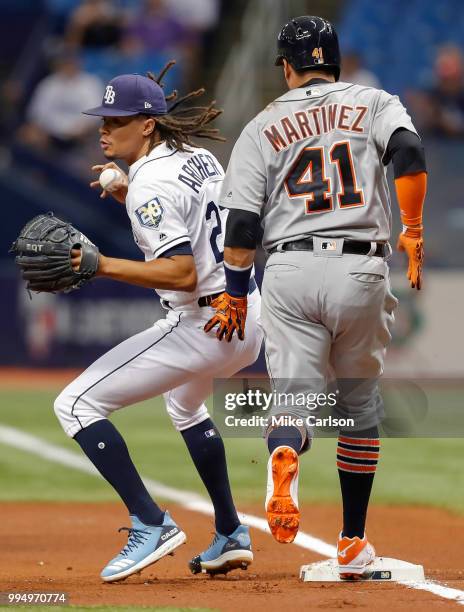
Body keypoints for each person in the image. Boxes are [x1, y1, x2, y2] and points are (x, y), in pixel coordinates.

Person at [205, 16, 426, 579]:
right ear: (335, 60)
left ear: (286, 66)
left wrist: (234, 291)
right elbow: (408, 153)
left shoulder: (262, 124)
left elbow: (244, 223)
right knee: (358, 409)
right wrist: (414, 229)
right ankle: (352, 542)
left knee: (292, 402)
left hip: (290, 267)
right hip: (360, 266)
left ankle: (287, 448)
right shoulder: (374, 102)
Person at [53, 63, 262, 582]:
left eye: (117, 120)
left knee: (76, 404)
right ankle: (231, 531)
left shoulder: (150, 182)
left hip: (202, 323)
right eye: (102, 119)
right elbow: (195, 219)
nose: (104, 128)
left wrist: (100, 265)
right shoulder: (197, 157)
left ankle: (151, 522)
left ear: (147, 124)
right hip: (245, 312)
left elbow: (182, 273)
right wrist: (129, 193)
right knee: (185, 406)